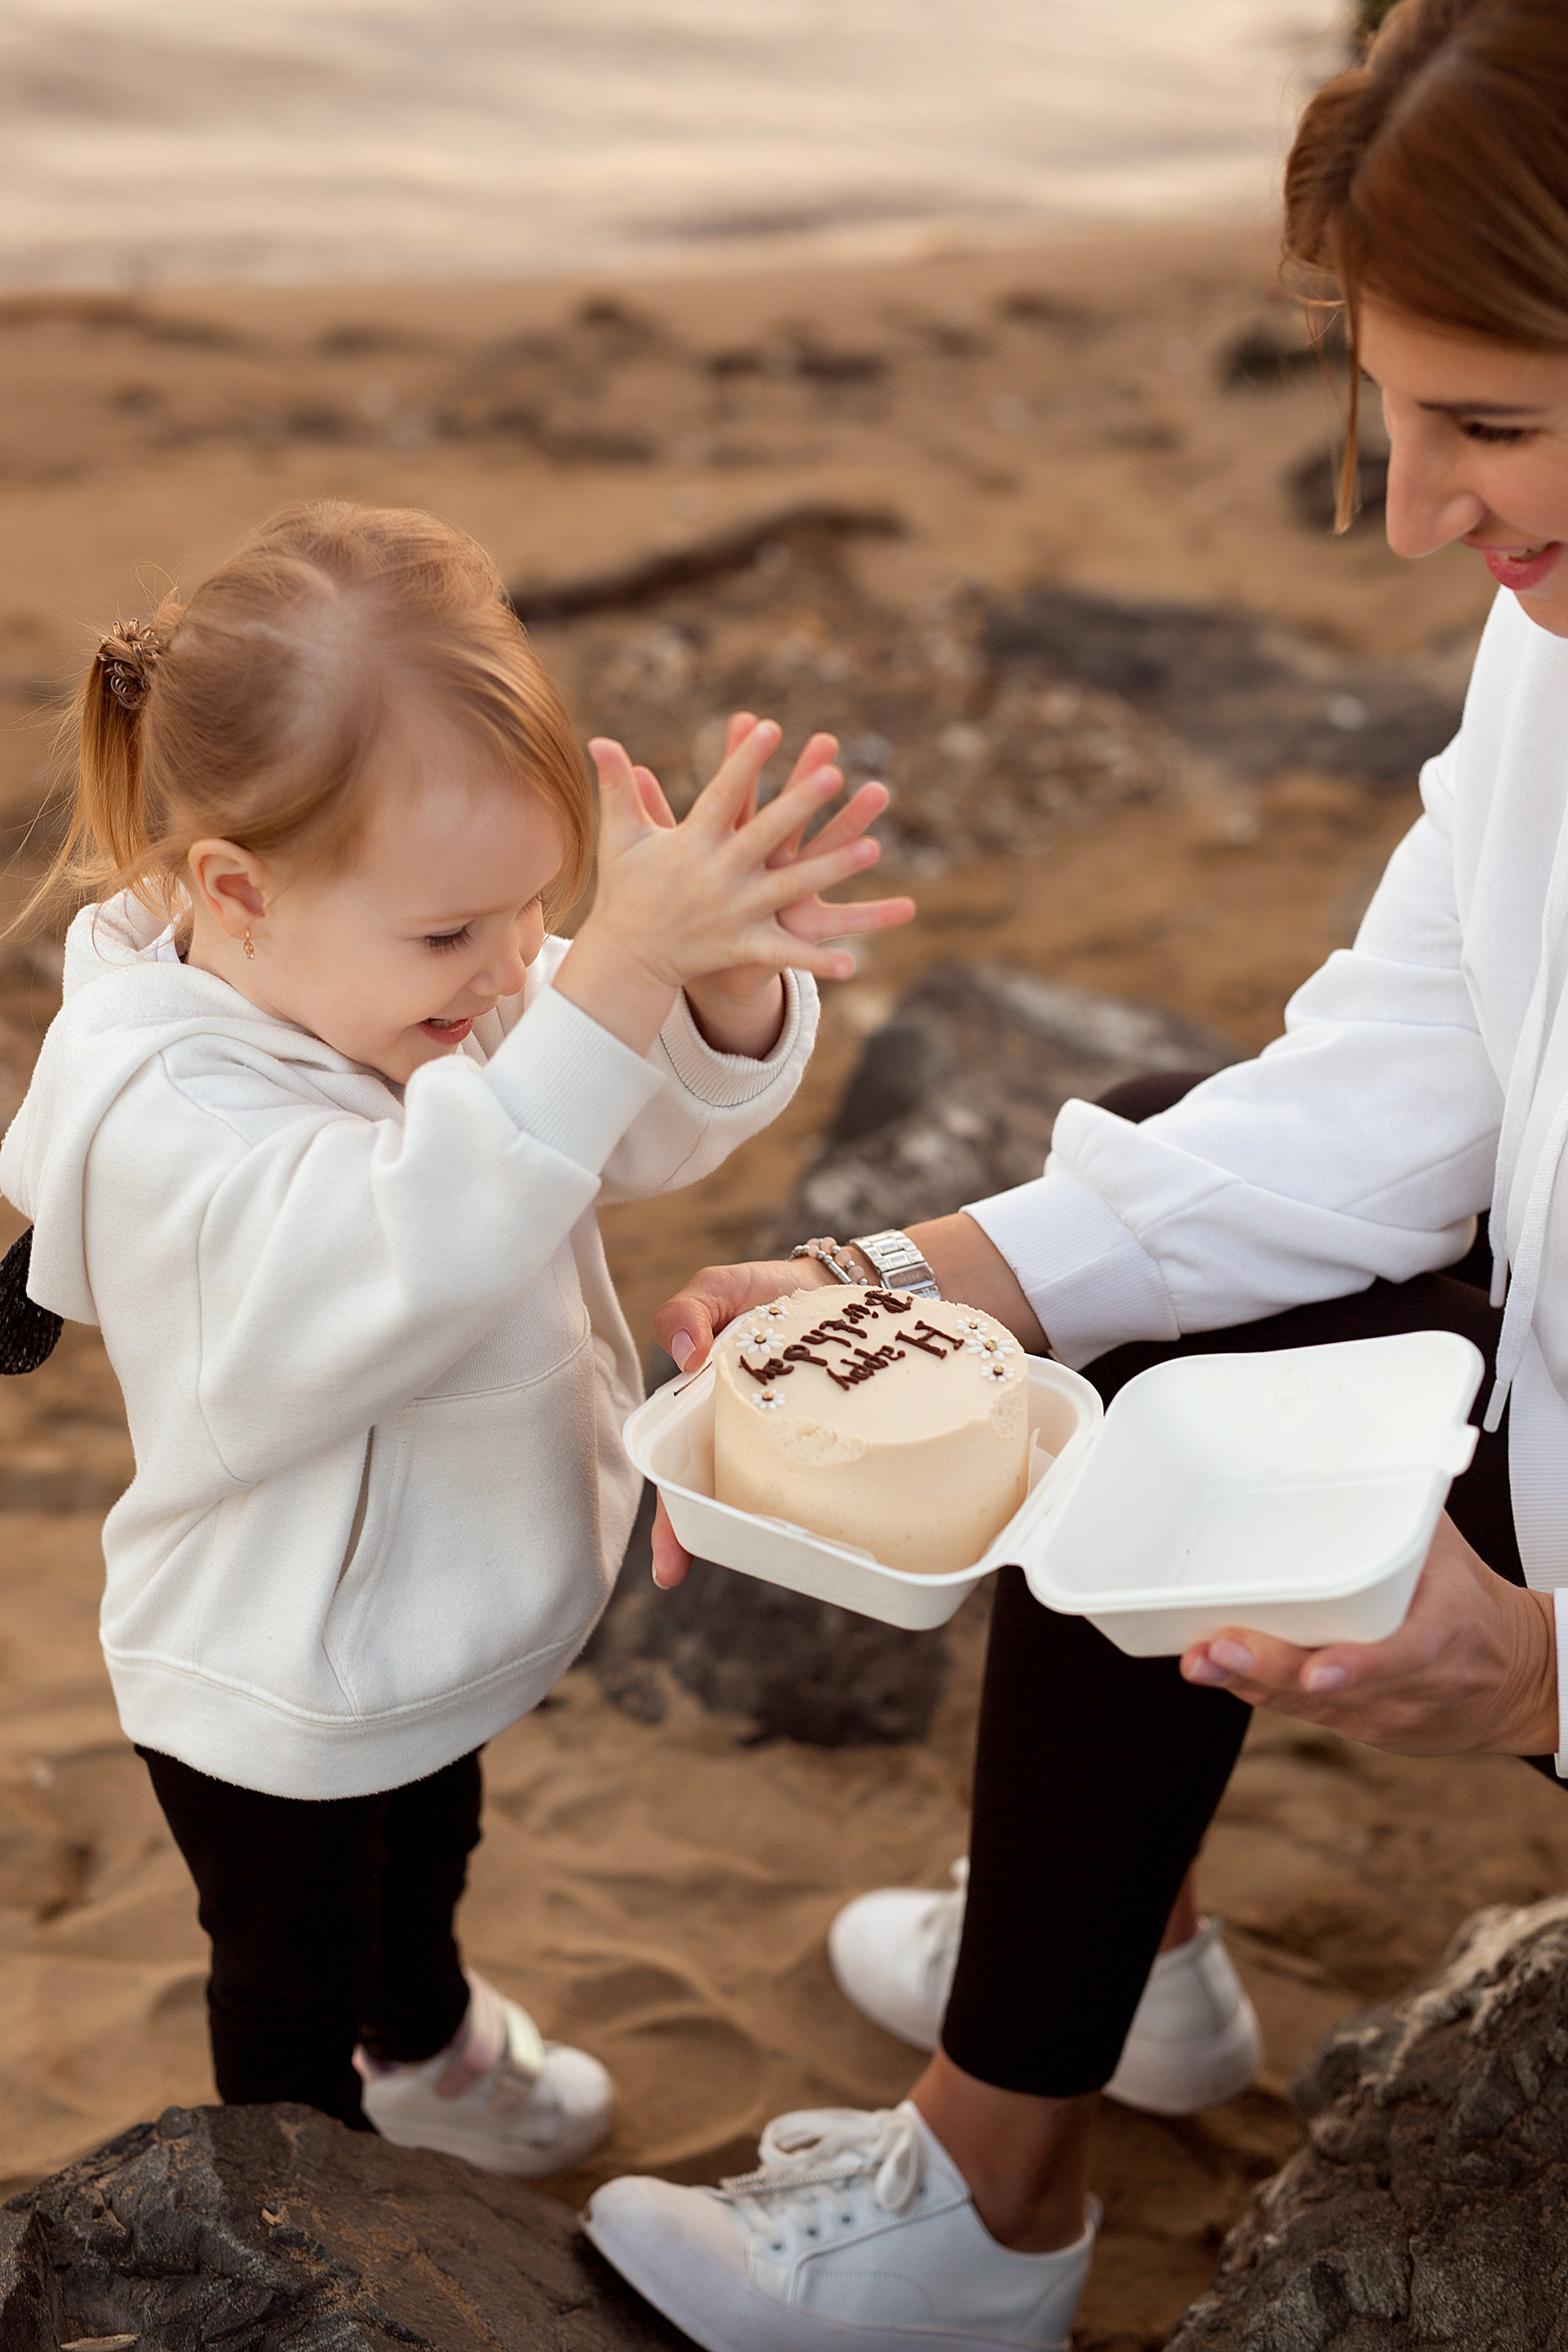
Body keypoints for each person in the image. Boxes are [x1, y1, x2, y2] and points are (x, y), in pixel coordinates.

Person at [582, 0, 1568, 2342]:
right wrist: (928, 1279)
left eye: (1497, 428)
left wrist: (1544, 1659)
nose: (1418, 514)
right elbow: (1384, 1090)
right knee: (1141, 1363)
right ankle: (1078, 2001)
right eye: (1400, 412)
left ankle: (1009, 2139)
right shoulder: (1551, 652)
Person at [0, 499, 914, 2174]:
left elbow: (621, 1128)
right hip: (272, 1678)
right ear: (235, 889)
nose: (510, 973)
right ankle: (303, 2202)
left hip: (433, 1619)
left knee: (429, 1855)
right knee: (288, 1974)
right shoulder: (178, 1111)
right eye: (455, 935)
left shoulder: (415, 965)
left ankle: (425, 2044)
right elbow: (413, 1245)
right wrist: (603, 991)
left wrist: (702, 990)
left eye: (535, 915)